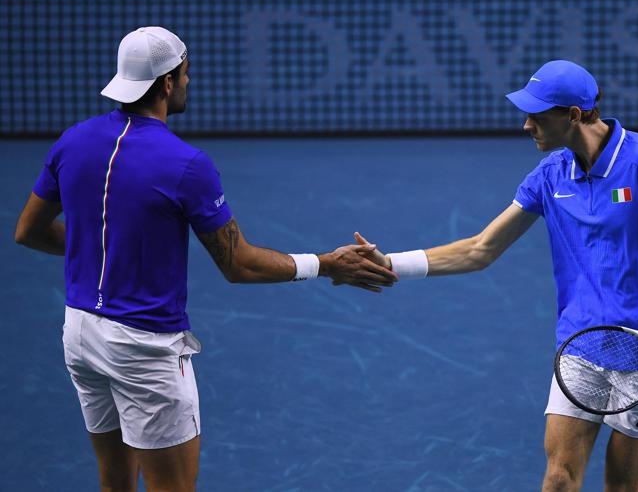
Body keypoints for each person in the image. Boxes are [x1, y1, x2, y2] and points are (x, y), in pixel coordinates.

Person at [14, 26, 397, 492]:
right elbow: (240, 264)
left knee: (114, 484)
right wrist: (327, 263)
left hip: (79, 334)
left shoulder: (71, 141)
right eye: (186, 73)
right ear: (169, 82)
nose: (189, 82)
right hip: (145, 349)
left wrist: (99, 252)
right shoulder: (186, 164)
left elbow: (28, 231)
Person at [347, 60, 638, 491]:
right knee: (558, 479)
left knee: (622, 486)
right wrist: (391, 266)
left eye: (537, 116)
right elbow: (481, 249)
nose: (526, 125)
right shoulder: (551, 174)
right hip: (582, 343)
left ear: (573, 115)